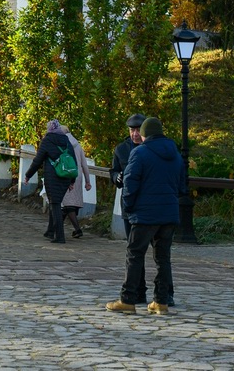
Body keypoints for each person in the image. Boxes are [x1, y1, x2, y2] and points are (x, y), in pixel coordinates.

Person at [107, 116, 184, 316]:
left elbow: (130, 183)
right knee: (163, 258)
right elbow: (182, 185)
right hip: (168, 214)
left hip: (145, 214)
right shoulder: (175, 154)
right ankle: (161, 301)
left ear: (144, 134)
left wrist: (129, 207)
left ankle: (128, 300)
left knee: (134, 254)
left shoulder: (140, 153)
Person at [24, 119, 75, 243]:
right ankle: (50, 231)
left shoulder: (47, 140)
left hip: (53, 177)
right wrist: (72, 180)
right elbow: (72, 160)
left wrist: (28, 175)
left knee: (55, 204)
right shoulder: (66, 140)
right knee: (55, 202)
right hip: (66, 177)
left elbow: (38, 160)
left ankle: (60, 236)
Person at [110, 113, 146, 245]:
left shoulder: (151, 148)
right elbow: (113, 171)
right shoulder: (121, 149)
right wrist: (117, 177)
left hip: (147, 200)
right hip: (128, 201)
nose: (135, 134)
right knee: (132, 242)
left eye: (138, 130)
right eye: (132, 130)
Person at [59, 122, 93, 238]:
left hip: (66, 174)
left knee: (67, 205)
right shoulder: (78, 145)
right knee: (68, 204)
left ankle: (77, 229)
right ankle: (55, 228)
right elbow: (84, 165)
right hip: (77, 176)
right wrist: (88, 181)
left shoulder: (62, 144)